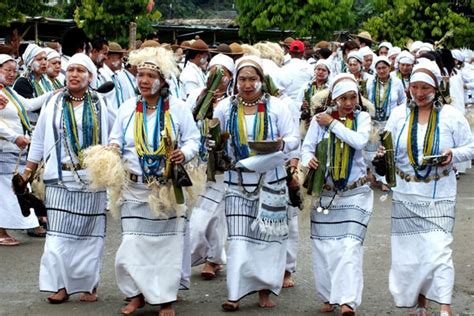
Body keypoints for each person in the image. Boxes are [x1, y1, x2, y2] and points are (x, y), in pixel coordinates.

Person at [377, 60, 474, 316]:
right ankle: (420, 304)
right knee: (411, 255)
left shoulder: (451, 116)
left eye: (425, 88)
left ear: (436, 89)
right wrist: (379, 158)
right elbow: (386, 148)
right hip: (406, 195)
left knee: (438, 251)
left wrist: (452, 154)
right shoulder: (399, 114)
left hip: (439, 193)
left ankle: (444, 306)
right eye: (415, 87)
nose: (419, 93)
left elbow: (471, 147)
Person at [109, 46, 200, 316]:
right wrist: (113, 149)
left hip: (166, 190)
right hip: (134, 189)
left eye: (150, 76)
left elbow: (193, 139)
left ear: (162, 81)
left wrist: (185, 152)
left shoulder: (179, 108)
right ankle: (135, 294)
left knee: (166, 248)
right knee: (132, 246)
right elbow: (116, 137)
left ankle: (164, 299)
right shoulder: (127, 108)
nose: (144, 81)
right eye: (140, 75)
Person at [20, 53, 109, 303]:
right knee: (58, 236)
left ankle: (88, 285)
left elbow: (113, 140)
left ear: (90, 77)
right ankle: (60, 285)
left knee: (89, 236)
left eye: (81, 71)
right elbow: (38, 139)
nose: (74, 74)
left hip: (92, 178)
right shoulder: (54, 102)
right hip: (59, 178)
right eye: (71, 70)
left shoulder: (101, 104)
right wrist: (27, 172)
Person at [213, 55, 299, 311]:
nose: (247, 84)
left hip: (270, 181)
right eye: (242, 79)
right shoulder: (225, 108)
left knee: (266, 241)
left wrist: (283, 144)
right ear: (235, 81)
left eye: (252, 79)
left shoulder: (277, 107)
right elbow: (214, 137)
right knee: (239, 239)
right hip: (237, 182)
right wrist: (213, 145)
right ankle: (235, 293)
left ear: (262, 80)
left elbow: (294, 138)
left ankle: (264, 290)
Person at [301, 73, 373, 316]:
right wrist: (307, 159)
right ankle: (329, 296)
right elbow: (307, 147)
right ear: (334, 98)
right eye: (343, 98)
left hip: (355, 193)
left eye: (353, 97)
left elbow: (360, 141)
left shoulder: (362, 118)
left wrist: (332, 123)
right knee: (325, 247)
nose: (349, 103)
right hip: (326, 192)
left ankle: (347, 301)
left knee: (350, 245)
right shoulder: (318, 120)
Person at [0, 54, 56, 245]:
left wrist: (53, 93)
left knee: (16, 188)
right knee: (5, 191)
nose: (11, 74)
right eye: (7, 70)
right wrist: (14, 137)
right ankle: (2, 231)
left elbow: (29, 105)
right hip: (4, 148)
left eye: (14, 71)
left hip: (15, 149)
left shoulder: (9, 92)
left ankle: (30, 223)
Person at [187, 53, 234, 280]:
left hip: (222, 168)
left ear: (231, 77)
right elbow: (186, 121)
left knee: (214, 217)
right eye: (213, 70)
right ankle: (211, 257)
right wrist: (202, 100)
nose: (218, 76)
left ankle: (212, 260)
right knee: (201, 218)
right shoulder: (196, 95)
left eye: (223, 72)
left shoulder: (233, 101)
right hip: (198, 165)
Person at [366, 56, 406, 190]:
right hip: (374, 121)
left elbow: (402, 101)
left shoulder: (397, 82)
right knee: (371, 152)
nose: (382, 71)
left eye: (384, 67)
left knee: (389, 151)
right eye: (378, 68)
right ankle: (377, 176)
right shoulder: (370, 82)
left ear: (390, 68)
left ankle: (386, 180)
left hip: (391, 121)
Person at [13, 44, 50, 124]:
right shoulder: (22, 82)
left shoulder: (46, 81)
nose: (44, 62)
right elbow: (34, 107)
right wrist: (52, 95)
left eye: (45, 59)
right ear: (30, 63)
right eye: (39, 59)